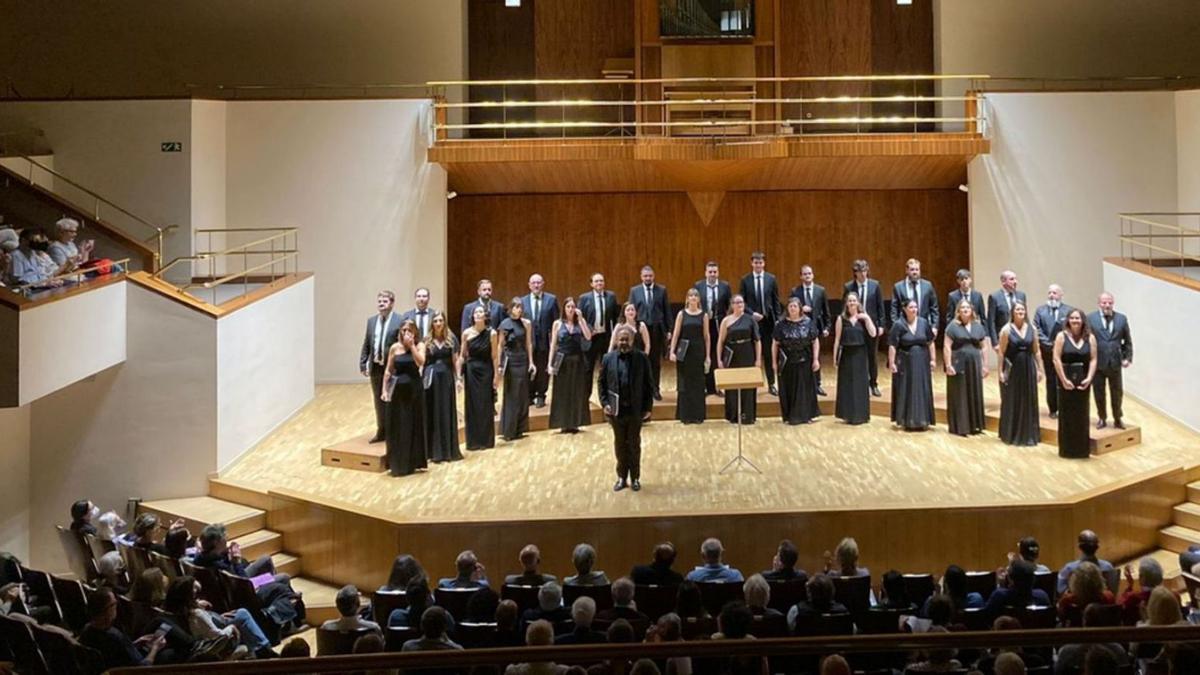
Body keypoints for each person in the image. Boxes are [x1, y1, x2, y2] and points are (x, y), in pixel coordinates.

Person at [600, 325, 655, 492]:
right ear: (616, 340)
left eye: (626, 339)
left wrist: (648, 407)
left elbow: (648, 384)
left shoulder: (642, 358)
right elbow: (601, 383)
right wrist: (605, 403)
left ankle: (635, 478)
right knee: (619, 445)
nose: (623, 342)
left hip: (635, 410)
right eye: (621, 339)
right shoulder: (608, 358)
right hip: (616, 411)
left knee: (634, 445)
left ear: (632, 340)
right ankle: (621, 477)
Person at [165, 576, 271, 658]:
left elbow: (202, 626)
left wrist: (215, 616)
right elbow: (218, 636)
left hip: (205, 636)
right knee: (242, 613)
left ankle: (259, 648)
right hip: (215, 645)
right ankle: (264, 648)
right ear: (189, 596)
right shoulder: (197, 614)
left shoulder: (177, 612)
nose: (197, 597)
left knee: (240, 614)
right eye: (195, 594)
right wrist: (231, 627)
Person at [382, 320, 427, 476]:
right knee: (399, 425)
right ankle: (398, 461)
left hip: (414, 390)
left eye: (409, 330)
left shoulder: (420, 346)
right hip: (398, 392)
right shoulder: (395, 348)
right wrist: (384, 390)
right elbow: (388, 371)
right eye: (403, 330)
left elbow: (421, 362)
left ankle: (414, 461)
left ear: (415, 332)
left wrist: (412, 345)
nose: (406, 333)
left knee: (413, 423)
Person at [80, 587, 167, 668]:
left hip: (114, 667)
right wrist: (155, 648)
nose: (116, 606)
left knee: (160, 623)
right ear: (107, 609)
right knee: (168, 654)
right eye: (114, 604)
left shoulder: (86, 630)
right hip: (133, 670)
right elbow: (143, 667)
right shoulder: (114, 636)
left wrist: (137, 642)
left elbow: (117, 654)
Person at [997, 302, 1044, 446]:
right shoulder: (1006, 330)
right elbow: (1001, 352)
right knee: (1013, 400)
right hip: (1014, 369)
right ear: (1012, 312)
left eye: (1023, 309)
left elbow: (1036, 350)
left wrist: (1040, 369)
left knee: (1029, 399)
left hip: (1028, 368)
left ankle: (1030, 434)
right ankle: (1011, 434)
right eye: (1017, 309)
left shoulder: (1032, 329)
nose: (1020, 311)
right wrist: (1000, 371)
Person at [1053, 308, 1098, 459]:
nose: (1075, 321)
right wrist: (1064, 379)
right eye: (1072, 318)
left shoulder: (1090, 338)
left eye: (1078, 318)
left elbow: (1093, 359)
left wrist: (1089, 378)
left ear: (1083, 320)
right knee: (1067, 415)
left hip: (1083, 382)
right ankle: (1067, 450)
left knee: (1082, 414)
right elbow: (1056, 358)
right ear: (1068, 320)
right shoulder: (1061, 336)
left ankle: (1081, 450)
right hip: (1065, 382)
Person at [943, 298, 991, 436]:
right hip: (959, 362)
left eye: (968, 308)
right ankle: (961, 426)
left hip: (974, 364)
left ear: (971, 311)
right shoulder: (952, 326)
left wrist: (985, 365)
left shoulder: (977, 326)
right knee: (960, 392)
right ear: (958, 311)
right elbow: (947, 347)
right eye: (962, 308)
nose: (965, 310)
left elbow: (984, 347)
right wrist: (948, 365)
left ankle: (975, 424)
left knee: (974, 390)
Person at [359, 290, 401, 443]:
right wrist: (363, 362)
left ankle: (393, 431)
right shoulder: (371, 321)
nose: (381, 304)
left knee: (392, 398)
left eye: (385, 301)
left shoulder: (399, 320)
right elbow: (367, 343)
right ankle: (381, 430)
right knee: (378, 399)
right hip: (376, 366)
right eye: (379, 301)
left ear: (392, 303)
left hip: (392, 367)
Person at [888, 298, 936, 431]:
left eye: (915, 307)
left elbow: (930, 342)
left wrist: (933, 359)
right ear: (904, 309)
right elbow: (892, 345)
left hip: (922, 361)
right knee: (906, 388)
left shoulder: (923, 323)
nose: (914, 310)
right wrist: (892, 363)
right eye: (911, 307)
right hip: (905, 361)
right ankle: (906, 419)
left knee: (922, 388)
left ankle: (923, 419)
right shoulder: (898, 324)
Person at [1087, 292, 1133, 429]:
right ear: (1099, 303)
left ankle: (1118, 418)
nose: (1107, 305)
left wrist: (1127, 358)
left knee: (1117, 393)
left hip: (1115, 363)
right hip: (1098, 363)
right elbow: (1087, 340)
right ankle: (1102, 417)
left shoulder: (1122, 319)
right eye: (1104, 302)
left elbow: (1128, 341)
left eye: (1110, 302)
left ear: (1113, 303)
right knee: (1099, 392)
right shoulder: (1090, 318)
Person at [548, 296, 593, 433]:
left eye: (573, 307)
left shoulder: (580, 322)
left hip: (577, 360)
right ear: (564, 308)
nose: (571, 309)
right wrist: (550, 364)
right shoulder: (557, 323)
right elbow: (553, 345)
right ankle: (563, 422)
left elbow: (588, 336)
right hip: (562, 361)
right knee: (562, 392)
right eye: (568, 307)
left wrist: (581, 319)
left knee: (577, 392)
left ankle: (575, 422)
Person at [740, 252, 783, 396]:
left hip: (768, 322)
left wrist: (778, 319)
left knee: (769, 354)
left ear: (764, 264)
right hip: (752, 321)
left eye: (761, 262)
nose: (758, 265)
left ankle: (771, 384)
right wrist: (752, 314)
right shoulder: (745, 280)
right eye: (756, 262)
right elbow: (742, 301)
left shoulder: (771, 279)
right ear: (752, 263)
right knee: (752, 354)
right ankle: (752, 384)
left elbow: (776, 300)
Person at [423, 312, 462, 463]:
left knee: (445, 411)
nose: (438, 323)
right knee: (431, 412)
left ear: (445, 322)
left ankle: (447, 451)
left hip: (446, 379)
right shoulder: (426, 340)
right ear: (432, 323)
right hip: (431, 379)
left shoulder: (451, 339)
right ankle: (432, 452)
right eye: (435, 321)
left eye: (441, 320)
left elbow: (456, 360)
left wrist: (458, 378)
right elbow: (422, 362)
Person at [774, 296, 820, 424]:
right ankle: (790, 416)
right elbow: (775, 344)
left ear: (800, 308)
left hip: (805, 359)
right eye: (790, 306)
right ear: (787, 309)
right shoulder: (780, 324)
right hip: (787, 361)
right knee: (789, 388)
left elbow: (815, 341)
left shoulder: (808, 322)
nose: (793, 308)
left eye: (795, 306)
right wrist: (774, 362)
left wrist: (816, 359)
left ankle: (806, 416)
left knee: (805, 388)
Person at [716, 294, 762, 424]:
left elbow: (757, 341)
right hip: (732, 355)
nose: (739, 305)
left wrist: (758, 360)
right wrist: (719, 359)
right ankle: (733, 415)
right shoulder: (726, 320)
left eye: (741, 302)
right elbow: (720, 341)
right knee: (732, 385)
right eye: (736, 303)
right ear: (732, 305)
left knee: (748, 385)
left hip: (747, 352)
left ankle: (748, 415)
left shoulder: (750, 319)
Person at [833, 292, 877, 425]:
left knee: (860, 384)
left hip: (860, 354)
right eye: (849, 301)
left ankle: (861, 414)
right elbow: (837, 339)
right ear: (846, 303)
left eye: (854, 301)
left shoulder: (863, 319)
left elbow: (873, 333)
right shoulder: (841, 318)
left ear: (858, 303)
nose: (852, 303)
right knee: (847, 384)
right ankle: (847, 414)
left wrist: (867, 318)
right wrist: (835, 358)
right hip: (846, 354)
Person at [843, 260, 885, 397]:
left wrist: (881, 325)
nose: (863, 274)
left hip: (871, 324)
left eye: (865, 270)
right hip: (856, 326)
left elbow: (880, 307)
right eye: (860, 271)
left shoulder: (875, 285)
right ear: (855, 273)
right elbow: (845, 307)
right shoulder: (849, 286)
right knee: (857, 354)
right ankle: (859, 384)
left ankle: (873, 383)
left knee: (872, 355)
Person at [459, 305, 499, 451]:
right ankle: (474, 441)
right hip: (471, 372)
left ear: (485, 315)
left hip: (486, 370)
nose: (477, 314)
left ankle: (486, 441)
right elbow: (463, 355)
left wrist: (496, 376)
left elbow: (494, 356)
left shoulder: (492, 333)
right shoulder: (466, 333)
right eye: (475, 312)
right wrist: (458, 376)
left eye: (480, 312)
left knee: (485, 404)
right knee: (472, 404)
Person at [629, 265, 671, 400]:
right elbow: (630, 310)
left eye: (650, 276)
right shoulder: (634, 291)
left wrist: (669, 330)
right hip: (640, 330)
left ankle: (655, 390)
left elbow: (667, 311)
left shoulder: (662, 290)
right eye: (645, 276)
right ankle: (640, 390)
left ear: (653, 276)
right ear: (641, 277)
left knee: (655, 362)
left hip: (656, 330)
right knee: (639, 360)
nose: (648, 278)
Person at [790, 264, 832, 396]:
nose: (807, 276)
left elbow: (826, 311)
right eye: (805, 274)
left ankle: (817, 384)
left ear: (813, 275)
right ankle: (804, 385)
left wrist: (827, 327)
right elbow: (791, 309)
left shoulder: (820, 290)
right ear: (801, 276)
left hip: (815, 328)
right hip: (799, 330)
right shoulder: (795, 291)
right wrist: (802, 309)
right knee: (802, 357)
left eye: (809, 273)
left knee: (816, 357)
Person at [670, 288, 710, 424]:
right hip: (684, 353)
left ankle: (698, 415)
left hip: (698, 352)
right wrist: (672, 351)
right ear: (687, 299)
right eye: (690, 295)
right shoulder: (681, 314)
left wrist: (708, 356)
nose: (693, 298)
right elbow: (676, 334)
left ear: (698, 299)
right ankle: (685, 415)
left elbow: (706, 336)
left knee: (698, 384)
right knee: (684, 383)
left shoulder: (703, 315)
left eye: (695, 295)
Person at [498, 297, 536, 441]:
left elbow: (529, 344)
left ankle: (520, 428)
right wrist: (499, 365)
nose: (519, 309)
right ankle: (509, 430)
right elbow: (500, 345)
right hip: (511, 361)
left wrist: (531, 362)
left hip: (522, 360)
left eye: (521, 307)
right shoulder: (504, 324)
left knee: (522, 394)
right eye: (516, 307)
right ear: (511, 308)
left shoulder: (526, 324)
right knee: (512, 395)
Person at [579, 272, 620, 399]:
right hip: (590, 338)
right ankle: (586, 396)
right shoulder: (584, 298)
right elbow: (580, 319)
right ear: (591, 284)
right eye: (596, 281)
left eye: (601, 281)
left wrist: (616, 335)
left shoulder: (611, 297)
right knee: (587, 369)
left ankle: (605, 395)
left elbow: (616, 316)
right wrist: (590, 330)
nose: (599, 283)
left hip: (605, 338)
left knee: (606, 368)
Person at [1034, 284, 1072, 418]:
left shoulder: (1069, 311)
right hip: (1048, 351)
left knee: (1063, 379)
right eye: (1049, 292)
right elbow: (1037, 329)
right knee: (1051, 380)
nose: (1052, 295)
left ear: (1061, 295)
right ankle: (1053, 409)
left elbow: (1071, 328)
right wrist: (1049, 344)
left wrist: (1060, 344)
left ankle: (1065, 407)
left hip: (1064, 352)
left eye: (1055, 293)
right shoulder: (1040, 311)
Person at [522, 274, 559, 409]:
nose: (536, 285)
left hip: (545, 341)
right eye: (533, 283)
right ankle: (529, 395)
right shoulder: (523, 301)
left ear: (543, 284)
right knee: (529, 368)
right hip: (528, 342)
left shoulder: (551, 299)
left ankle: (541, 395)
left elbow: (556, 322)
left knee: (543, 369)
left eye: (539, 282)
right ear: (529, 285)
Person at [695, 261, 732, 395]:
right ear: (705, 273)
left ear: (718, 273)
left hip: (719, 324)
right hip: (704, 324)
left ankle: (718, 386)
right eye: (710, 272)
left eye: (715, 272)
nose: (712, 274)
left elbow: (729, 306)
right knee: (705, 354)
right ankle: (706, 386)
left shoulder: (725, 286)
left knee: (718, 355)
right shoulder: (699, 286)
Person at [890, 258, 939, 337]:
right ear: (907, 271)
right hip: (904, 327)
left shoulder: (928, 286)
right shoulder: (898, 287)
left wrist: (934, 326)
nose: (915, 272)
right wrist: (896, 326)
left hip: (924, 327)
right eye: (912, 269)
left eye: (917, 269)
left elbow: (934, 308)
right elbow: (894, 309)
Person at [1057, 530, 1115, 594]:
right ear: (1097, 547)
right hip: (1102, 603)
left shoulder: (1069, 568)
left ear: (1079, 547)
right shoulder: (1108, 567)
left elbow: (1060, 589)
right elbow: (1113, 590)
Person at [1118, 556, 1163, 626]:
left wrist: (1129, 586)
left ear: (1141, 577)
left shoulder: (1133, 598)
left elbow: (1119, 606)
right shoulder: (1170, 596)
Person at [988, 269, 1027, 345]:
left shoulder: (1021, 295)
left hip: (1020, 336)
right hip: (1003, 338)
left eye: (1016, 279)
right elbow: (991, 321)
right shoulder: (994, 297)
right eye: (1012, 279)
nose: (1015, 282)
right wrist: (995, 343)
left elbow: (1025, 317)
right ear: (1003, 282)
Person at [946, 269, 987, 333]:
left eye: (966, 278)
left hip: (975, 330)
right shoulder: (952, 296)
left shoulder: (978, 295)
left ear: (970, 280)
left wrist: (985, 334)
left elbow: (983, 317)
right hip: (958, 331)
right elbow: (950, 317)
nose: (964, 281)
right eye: (961, 279)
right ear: (958, 281)